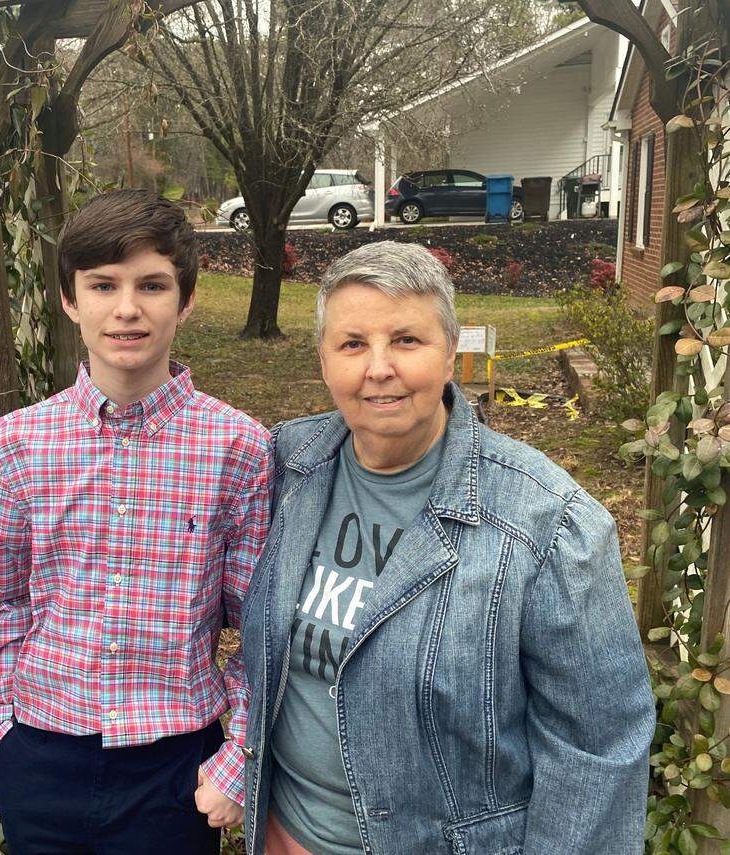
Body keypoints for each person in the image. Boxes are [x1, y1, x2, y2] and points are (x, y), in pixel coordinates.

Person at [239, 241, 655, 855]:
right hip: (285, 835)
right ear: (325, 359)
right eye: (353, 344)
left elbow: (598, 749)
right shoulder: (286, 470)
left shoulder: (546, 525)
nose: (379, 367)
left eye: (406, 340)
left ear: (451, 351)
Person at [0, 189, 273, 854]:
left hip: (175, 769)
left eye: (152, 285)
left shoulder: (238, 448)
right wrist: (4, 732)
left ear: (187, 298)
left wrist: (237, 756)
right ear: (70, 298)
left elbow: (261, 625)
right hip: (41, 754)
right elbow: (0, 599)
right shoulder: (19, 442)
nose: (128, 307)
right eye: (103, 284)